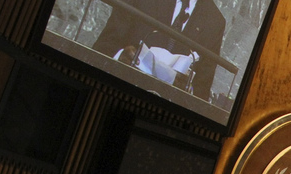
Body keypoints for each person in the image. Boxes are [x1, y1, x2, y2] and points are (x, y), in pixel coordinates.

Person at [92, 0, 227, 102]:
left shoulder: (215, 22)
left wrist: (187, 89)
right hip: (114, 91)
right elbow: (104, 46)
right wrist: (120, 56)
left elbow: (200, 92)